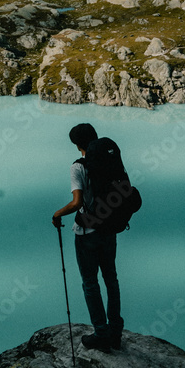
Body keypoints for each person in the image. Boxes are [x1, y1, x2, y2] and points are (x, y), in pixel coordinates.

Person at [52, 122, 124, 352]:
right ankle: (115, 332)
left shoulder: (78, 167)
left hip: (87, 233)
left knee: (90, 283)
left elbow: (77, 203)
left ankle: (101, 333)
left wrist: (57, 214)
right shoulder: (111, 160)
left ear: (77, 145)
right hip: (110, 229)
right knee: (111, 279)